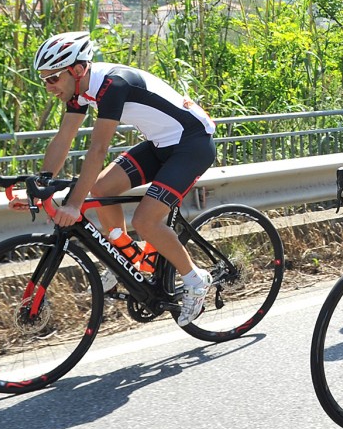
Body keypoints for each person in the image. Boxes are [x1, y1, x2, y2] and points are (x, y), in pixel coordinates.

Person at [33, 31, 218, 326]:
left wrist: (74, 206)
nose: (48, 87)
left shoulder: (112, 85)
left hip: (192, 143)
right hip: (161, 145)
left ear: (77, 70)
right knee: (100, 189)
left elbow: (98, 149)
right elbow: (64, 137)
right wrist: (41, 184)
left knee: (146, 220)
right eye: (44, 80)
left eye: (53, 78)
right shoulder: (80, 90)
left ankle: (196, 281)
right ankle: (125, 255)